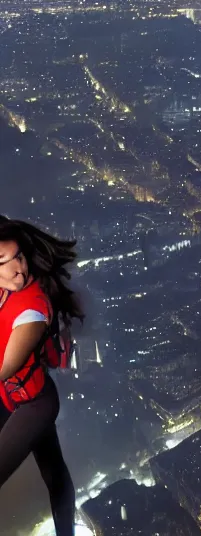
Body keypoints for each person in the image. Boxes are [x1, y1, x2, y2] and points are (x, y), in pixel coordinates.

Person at [0, 215, 84, 536]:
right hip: (11, 395)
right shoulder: (5, 291)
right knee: (54, 472)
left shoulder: (32, 308)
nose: (17, 268)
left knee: (52, 471)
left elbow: (4, 368)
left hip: (35, 403)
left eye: (18, 255)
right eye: (3, 262)